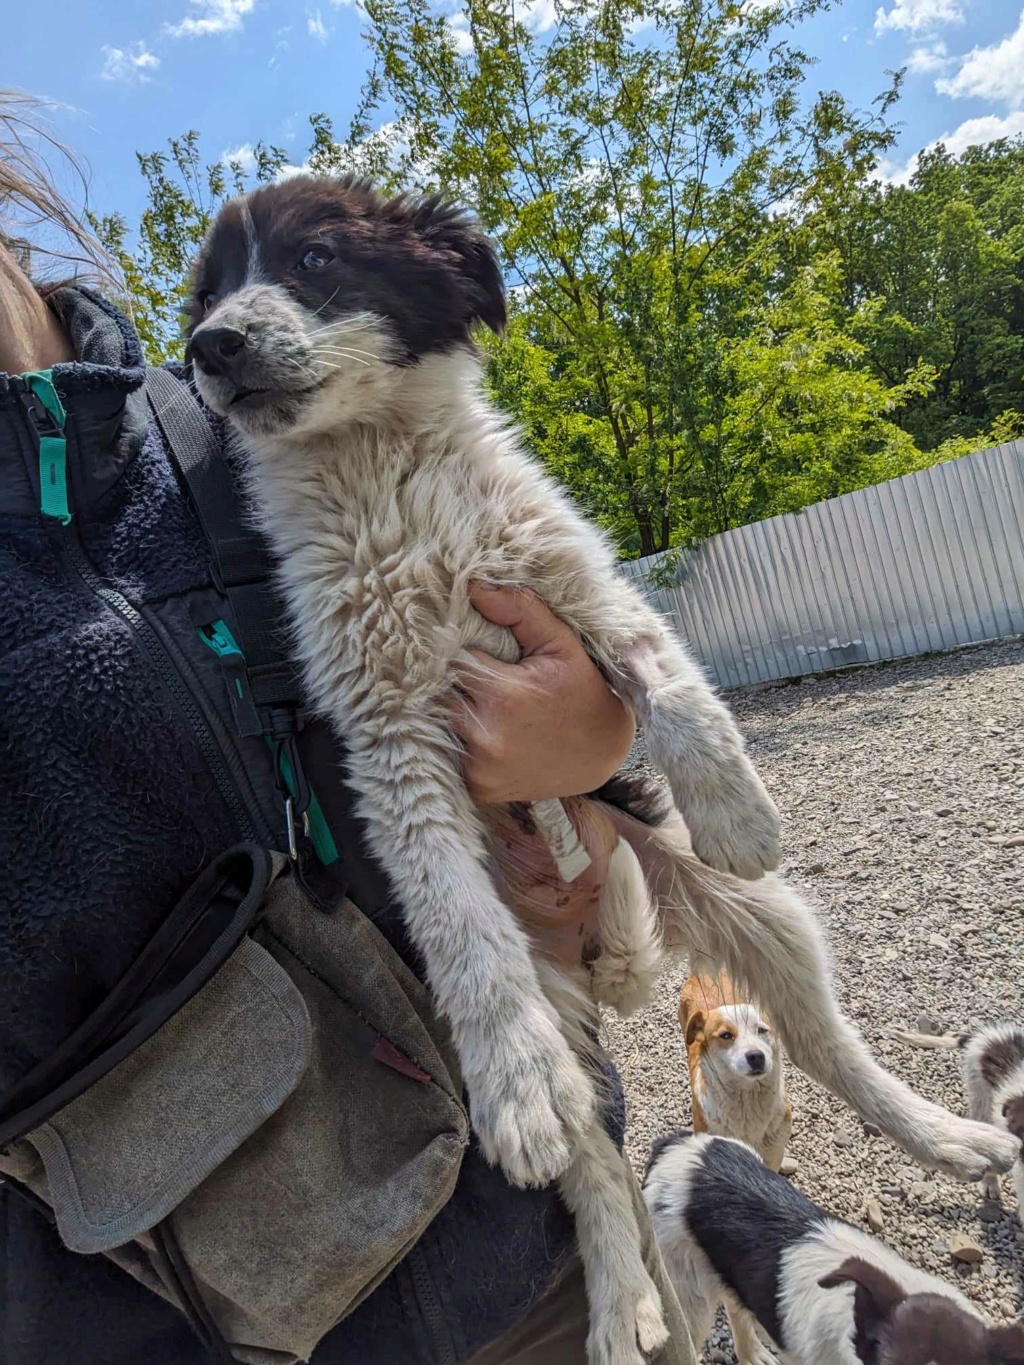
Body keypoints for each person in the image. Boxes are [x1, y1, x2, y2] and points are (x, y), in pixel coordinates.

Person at [0, 96, 697, 1365]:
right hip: (184, 1314)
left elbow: (537, 617)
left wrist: (602, 743)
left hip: (514, 1228)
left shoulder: (250, 418)